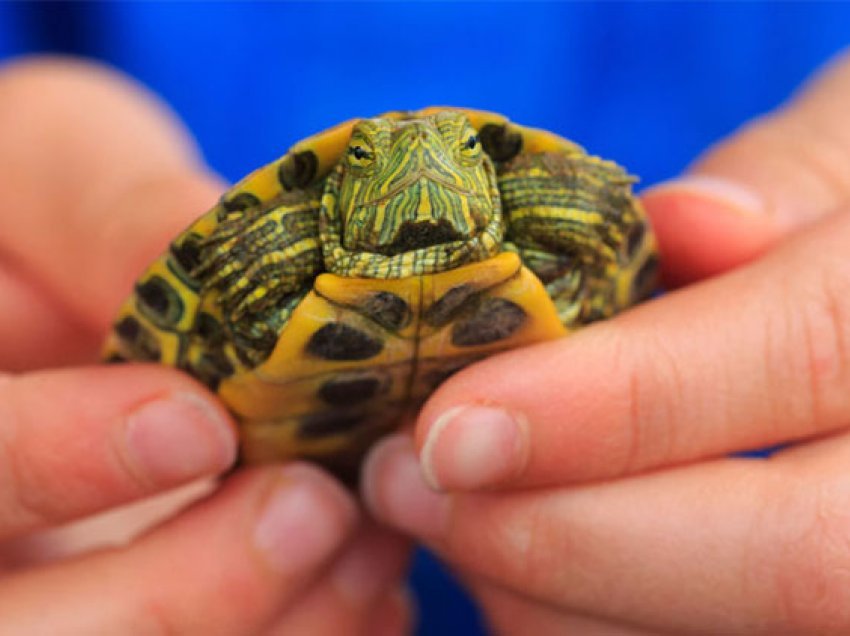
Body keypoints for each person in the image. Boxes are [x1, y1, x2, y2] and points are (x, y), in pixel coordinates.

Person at [0, 47, 849, 634]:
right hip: (192, 498)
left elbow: (608, 225)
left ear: (488, 177)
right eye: (372, 158)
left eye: (460, 154)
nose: (422, 160)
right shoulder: (288, 239)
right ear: (336, 196)